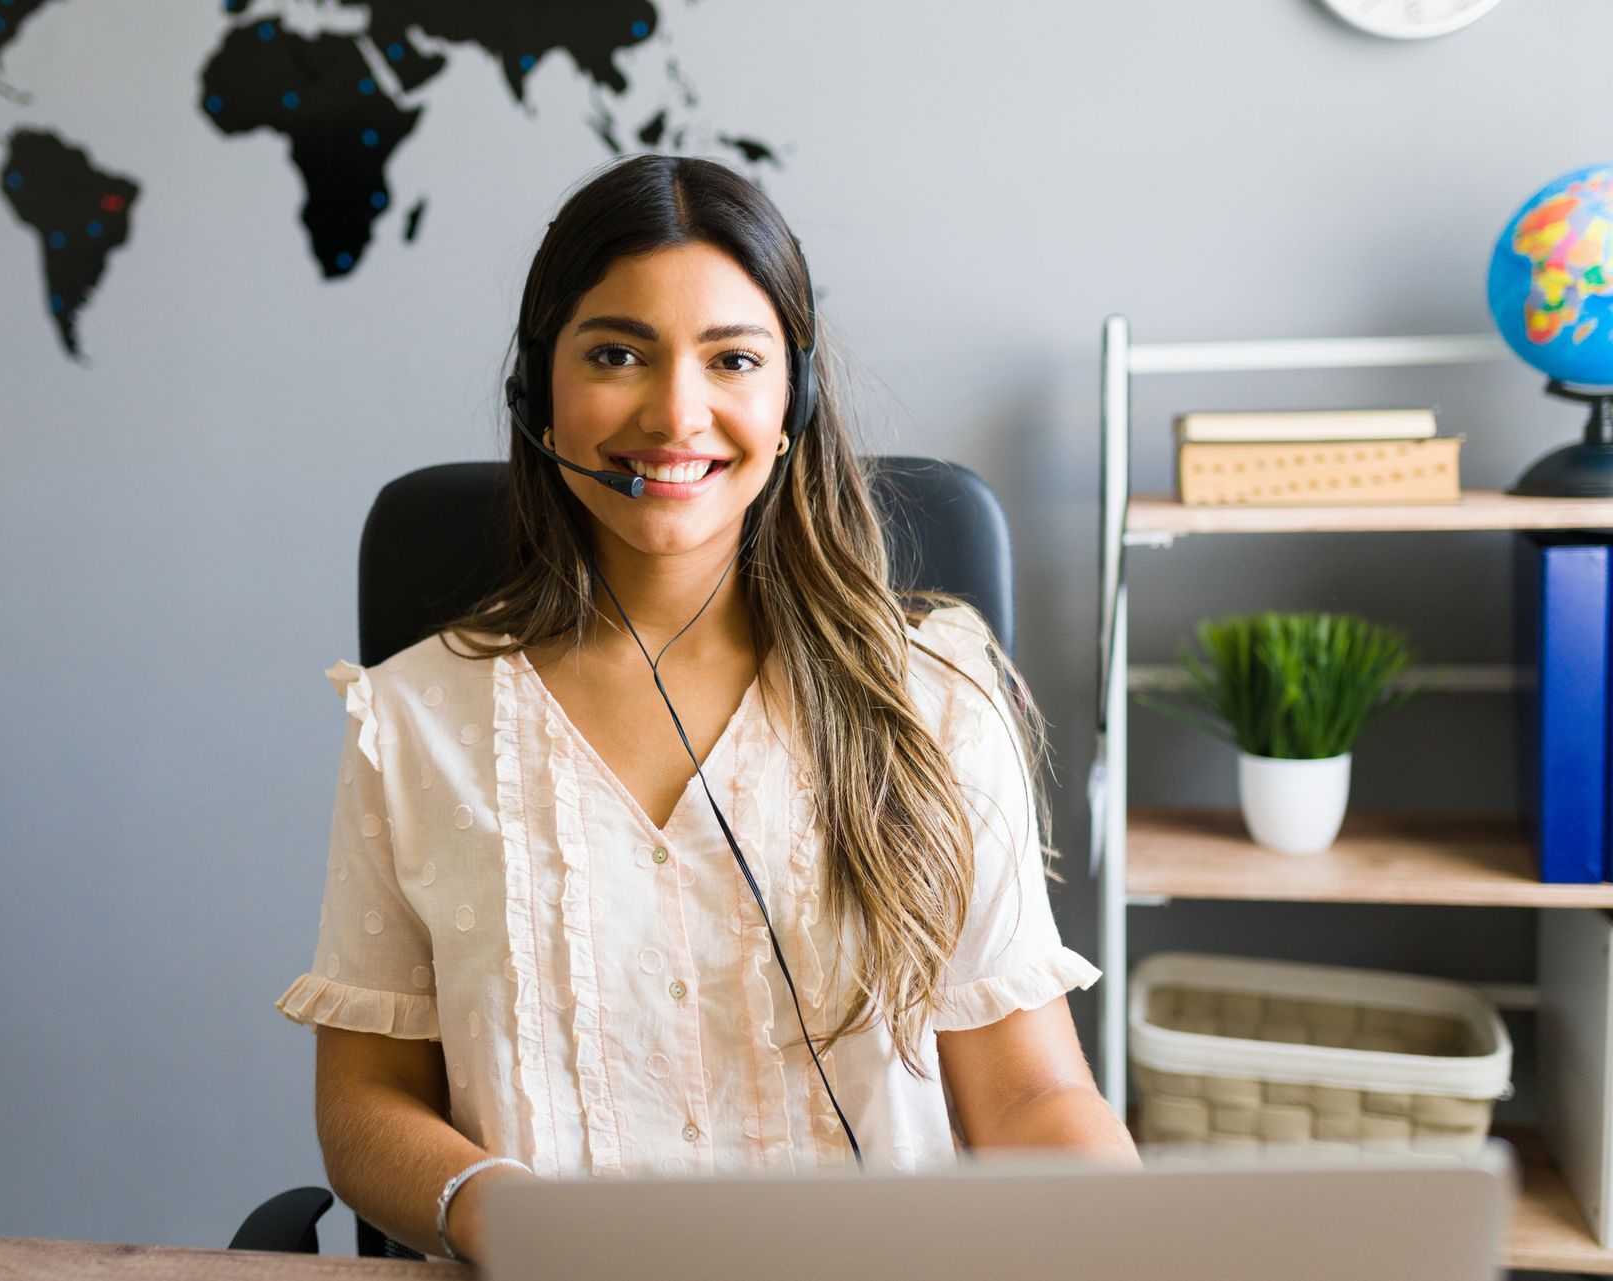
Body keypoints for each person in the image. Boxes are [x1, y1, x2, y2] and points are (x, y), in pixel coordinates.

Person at [276, 153, 1137, 1264]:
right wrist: (504, 1214)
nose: (676, 413)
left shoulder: (931, 701)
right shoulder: (412, 723)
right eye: (616, 353)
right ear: (539, 392)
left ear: (794, 400)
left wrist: (1128, 1242)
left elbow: (1028, 1097)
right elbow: (365, 1102)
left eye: (733, 358)